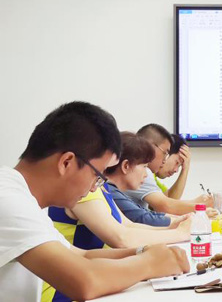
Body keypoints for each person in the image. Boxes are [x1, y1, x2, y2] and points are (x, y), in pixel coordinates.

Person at [0, 102, 189, 302]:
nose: (94, 188)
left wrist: (143, 251)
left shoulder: (26, 199)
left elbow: (82, 256)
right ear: (66, 162)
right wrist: (150, 264)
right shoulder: (8, 199)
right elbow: (84, 282)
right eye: (97, 175)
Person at [125, 124, 215, 215]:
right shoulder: (140, 172)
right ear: (151, 147)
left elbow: (168, 200)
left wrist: (185, 169)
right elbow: (165, 206)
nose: (164, 160)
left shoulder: (147, 173)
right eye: (165, 153)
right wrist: (201, 206)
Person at [106, 132, 189, 227]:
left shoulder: (111, 190)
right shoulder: (109, 191)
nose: (146, 174)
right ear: (126, 166)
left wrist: (181, 220)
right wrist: (182, 222)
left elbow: (145, 213)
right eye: (144, 166)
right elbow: (142, 217)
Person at [153, 134, 191, 199]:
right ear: (166, 154)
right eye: (177, 162)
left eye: (179, 166)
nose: (176, 170)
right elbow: (166, 203)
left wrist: (185, 168)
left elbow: (170, 198)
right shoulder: (145, 175)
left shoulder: (153, 179)